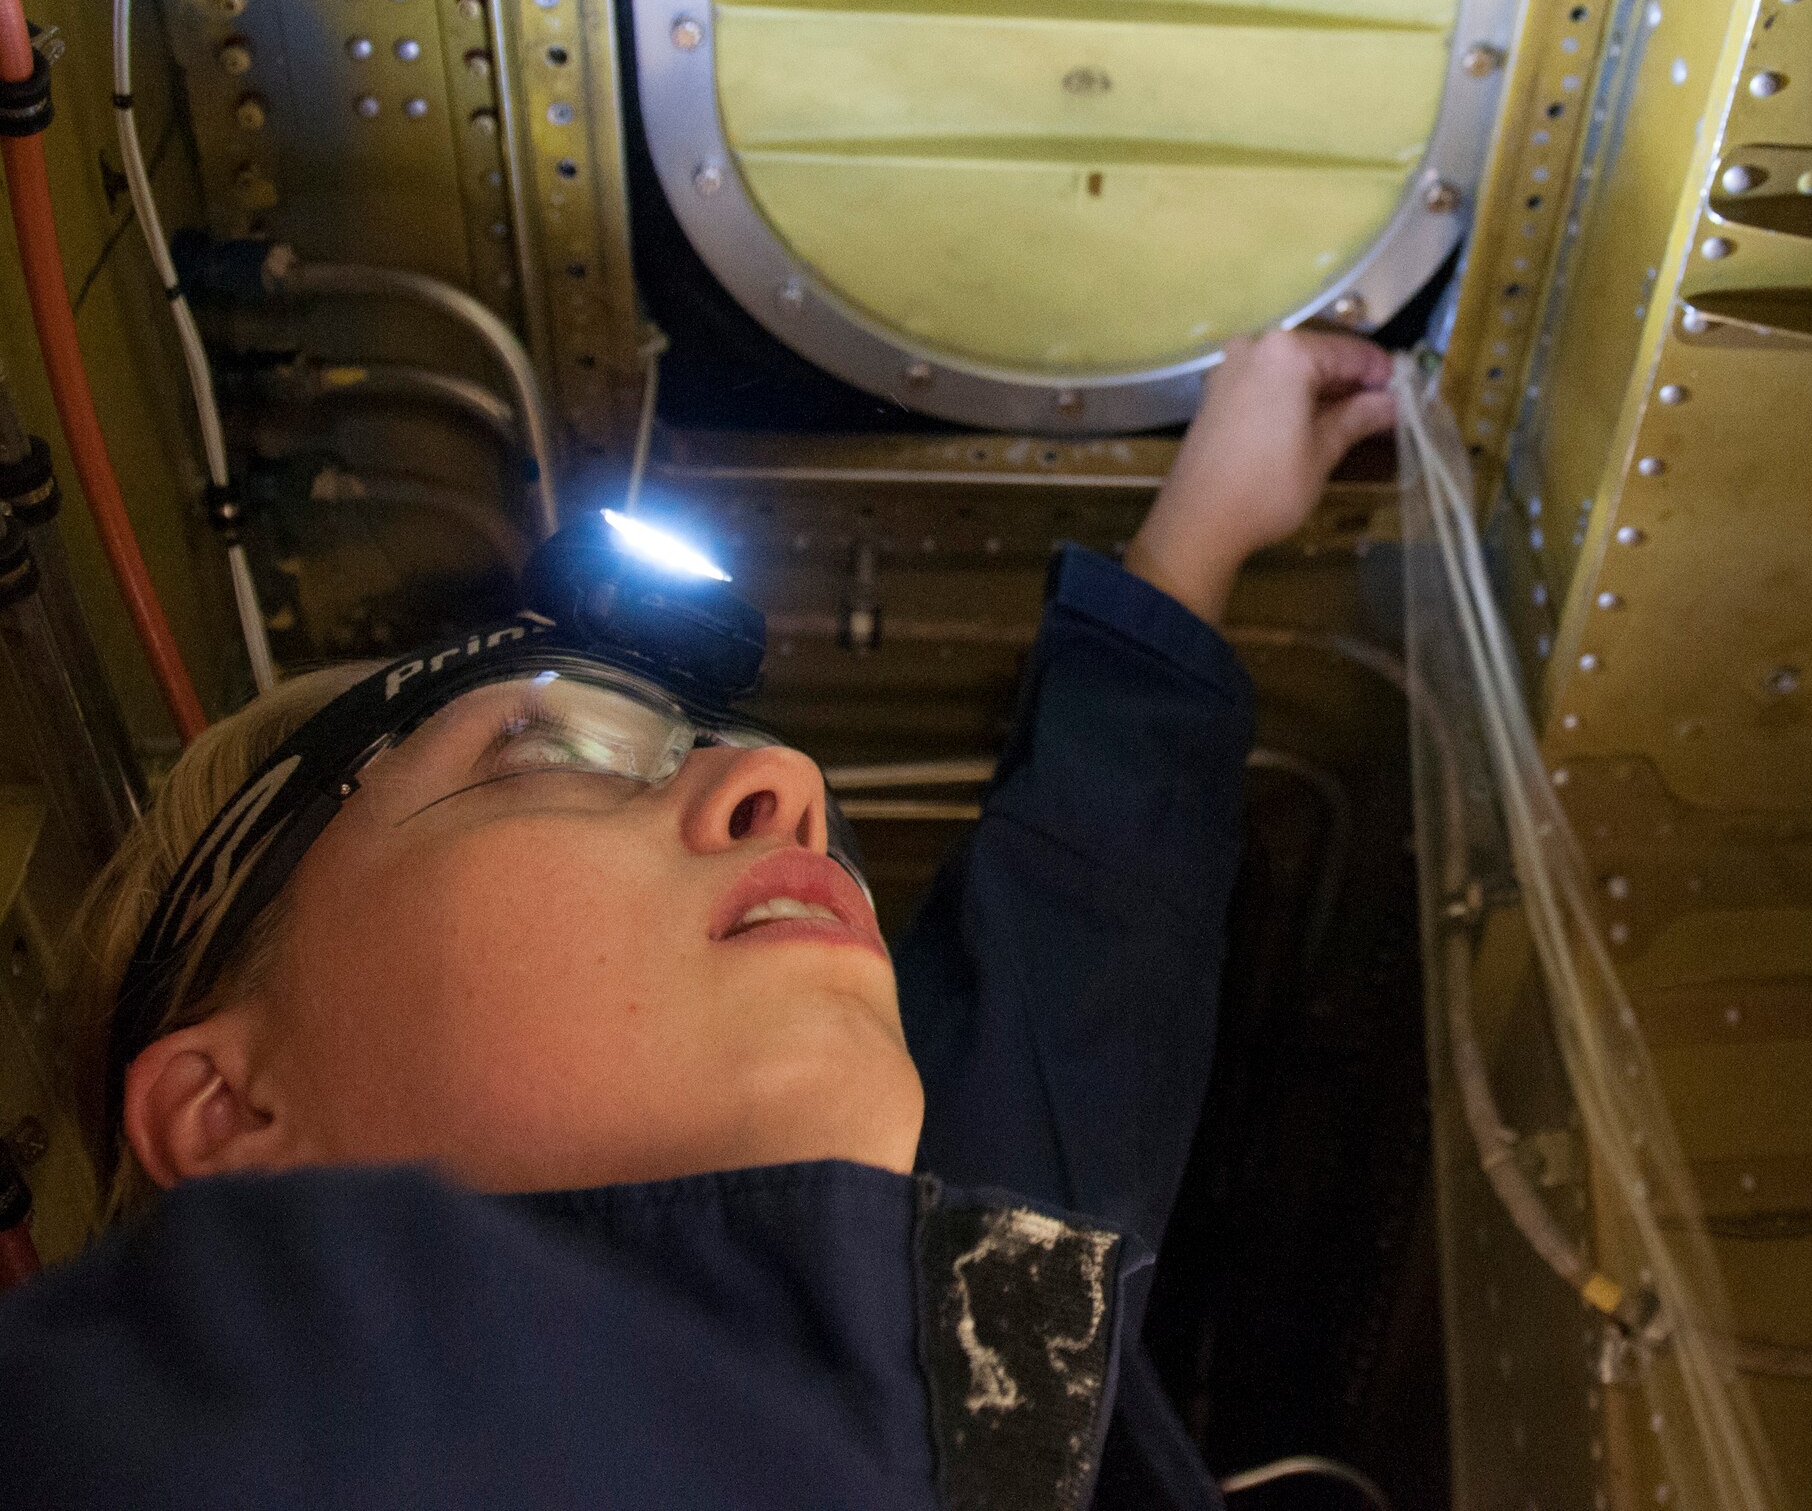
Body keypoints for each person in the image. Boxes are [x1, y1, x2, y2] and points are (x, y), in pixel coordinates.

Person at [0, 327, 1395, 1510]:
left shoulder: (959, 1386)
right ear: (232, 1118)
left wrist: (1202, 528)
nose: (782, 779)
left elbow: (1065, 1025)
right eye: (553, 755)